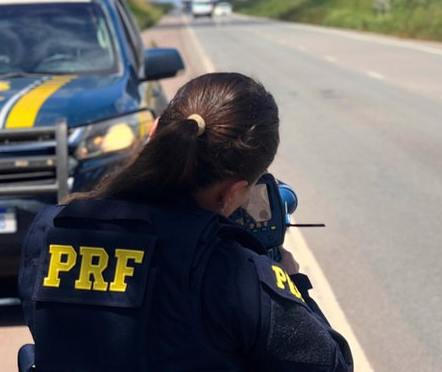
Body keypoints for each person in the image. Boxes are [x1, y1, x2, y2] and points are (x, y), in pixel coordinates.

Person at [18, 72, 354, 371]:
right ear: (231, 193)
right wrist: (294, 284)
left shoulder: (52, 230)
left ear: (154, 131)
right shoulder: (232, 270)